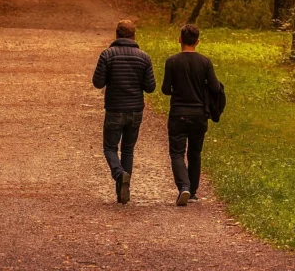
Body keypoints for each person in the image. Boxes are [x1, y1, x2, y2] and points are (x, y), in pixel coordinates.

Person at [92, 20, 156, 204]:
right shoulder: (144, 57)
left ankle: (119, 174)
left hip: (114, 109)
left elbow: (98, 82)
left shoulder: (108, 55)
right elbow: (150, 87)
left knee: (109, 148)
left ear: (116, 35)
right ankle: (122, 190)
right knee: (128, 149)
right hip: (135, 110)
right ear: (134, 36)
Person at [161, 24, 222, 206]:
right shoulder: (205, 62)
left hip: (178, 113)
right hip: (199, 114)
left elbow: (165, 89)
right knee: (195, 153)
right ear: (197, 41)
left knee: (177, 153)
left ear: (180, 39)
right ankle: (193, 192)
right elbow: (215, 87)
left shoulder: (172, 61)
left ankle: (183, 187)